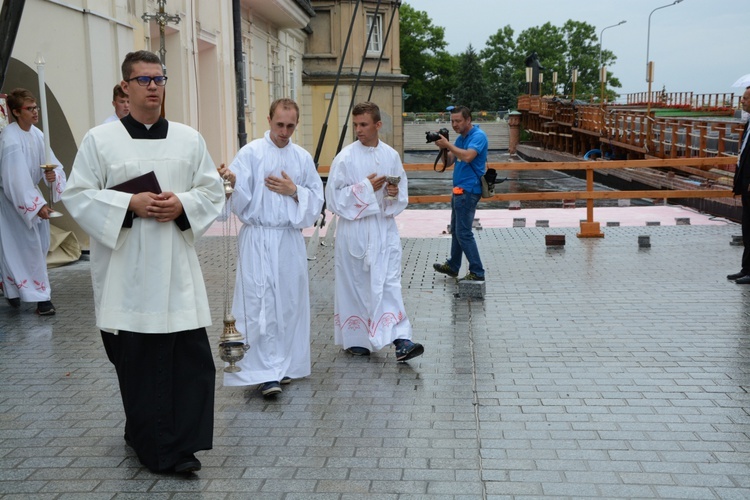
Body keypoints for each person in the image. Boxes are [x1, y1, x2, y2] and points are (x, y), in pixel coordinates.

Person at [61, 50, 224, 474]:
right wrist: (128, 202)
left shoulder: (189, 139)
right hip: (128, 272)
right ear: (125, 88)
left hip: (177, 274)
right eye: (144, 79)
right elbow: (77, 195)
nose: (153, 86)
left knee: (189, 365)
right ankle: (149, 444)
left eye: (159, 78)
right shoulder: (101, 140)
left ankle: (181, 447)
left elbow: (211, 192)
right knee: (140, 366)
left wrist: (182, 205)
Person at [218, 98, 324, 397]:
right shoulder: (251, 153)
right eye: (279, 124)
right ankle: (263, 371)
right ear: (268, 119)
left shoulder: (302, 158)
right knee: (258, 303)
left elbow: (316, 200)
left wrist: (295, 192)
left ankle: (284, 365)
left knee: (289, 304)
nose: (284, 131)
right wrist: (231, 180)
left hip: (288, 240)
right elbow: (236, 191)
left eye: (291, 126)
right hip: (258, 238)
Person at [325, 101, 424, 361]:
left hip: (383, 229)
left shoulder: (391, 155)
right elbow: (333, 199)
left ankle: (402, 339)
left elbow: (401, 192)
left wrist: (393, 194)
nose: (358, 129)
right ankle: (357, 338)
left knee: (389, 283)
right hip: (355, 231)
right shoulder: (345, 157)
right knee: (357, 284)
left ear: (378, 125)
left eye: (364, 124)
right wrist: (365, 188)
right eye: (356, 125)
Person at [0, 88, 65, 315]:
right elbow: (14, 179)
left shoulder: (37, 134)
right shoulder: (10, 139)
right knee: (27, 249)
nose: (36, 112)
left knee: (37, 245)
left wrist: (52, 176)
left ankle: (13, 289)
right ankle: (42, 300)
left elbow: (53, 164)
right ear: (17, 112)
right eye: (30, 109)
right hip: (12, 202)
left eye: (36, 107)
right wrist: (36, 206)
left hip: (30, 196)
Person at [431, 105, 487, 282]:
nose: (454, 124)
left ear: (468, 120)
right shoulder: (461, 138)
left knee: (463, 232)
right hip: (459, 191)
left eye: (458, 121)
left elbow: (469, 156)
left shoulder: (478, 136)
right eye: (452, 121)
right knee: (456, 230)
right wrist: (443, 148)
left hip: (469, 190)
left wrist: (448, 144)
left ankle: (477, 271)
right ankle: (453, 266)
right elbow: (448, 162)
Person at [729, 86, 750, 284]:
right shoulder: (749, 122)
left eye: (745, 98)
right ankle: (746, 268)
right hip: (744, 183)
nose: (742, 101)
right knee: (747, 227)